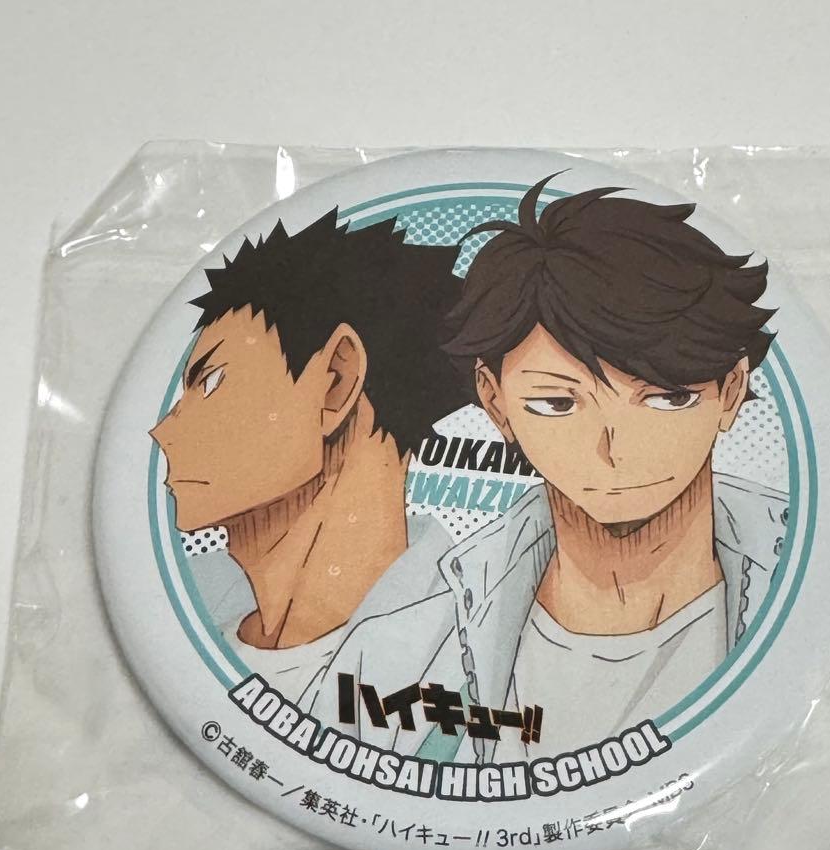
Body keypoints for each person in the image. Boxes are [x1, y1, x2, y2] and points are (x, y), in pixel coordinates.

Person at [302, 177, 788, 760]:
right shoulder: (391, 658)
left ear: (731, 390)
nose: (614, 447)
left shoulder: (802, 590)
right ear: (495, 401)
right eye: (557, 403)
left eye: (667, 398)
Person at [149, 212, 467, 698]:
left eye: (211, 383)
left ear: (335, 381)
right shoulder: (183, 623)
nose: (162, 432)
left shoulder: (482, 650)